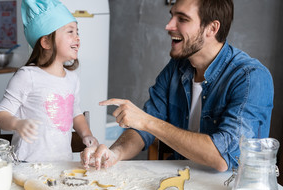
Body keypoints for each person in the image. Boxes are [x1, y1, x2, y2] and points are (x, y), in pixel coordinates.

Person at [81, 0, 274, 172]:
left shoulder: (251, 78)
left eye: (182, 19)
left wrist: (148, 121)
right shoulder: (177, 67)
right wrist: (115, 153)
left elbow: (222, 158)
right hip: (182, 180)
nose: (168, 25)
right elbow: (143, 129)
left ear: (212, 28)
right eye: (172, 16)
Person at [0, 0, 98, 162]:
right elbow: (0, 115)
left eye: (78, 32)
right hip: (27, 164)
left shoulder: (72, 79)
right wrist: (17, 123)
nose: (77, 37)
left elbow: (75, 112)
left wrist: (86, 134)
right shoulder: (27, 76)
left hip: (62, 164)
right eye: (70, 32)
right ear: (46, 42)